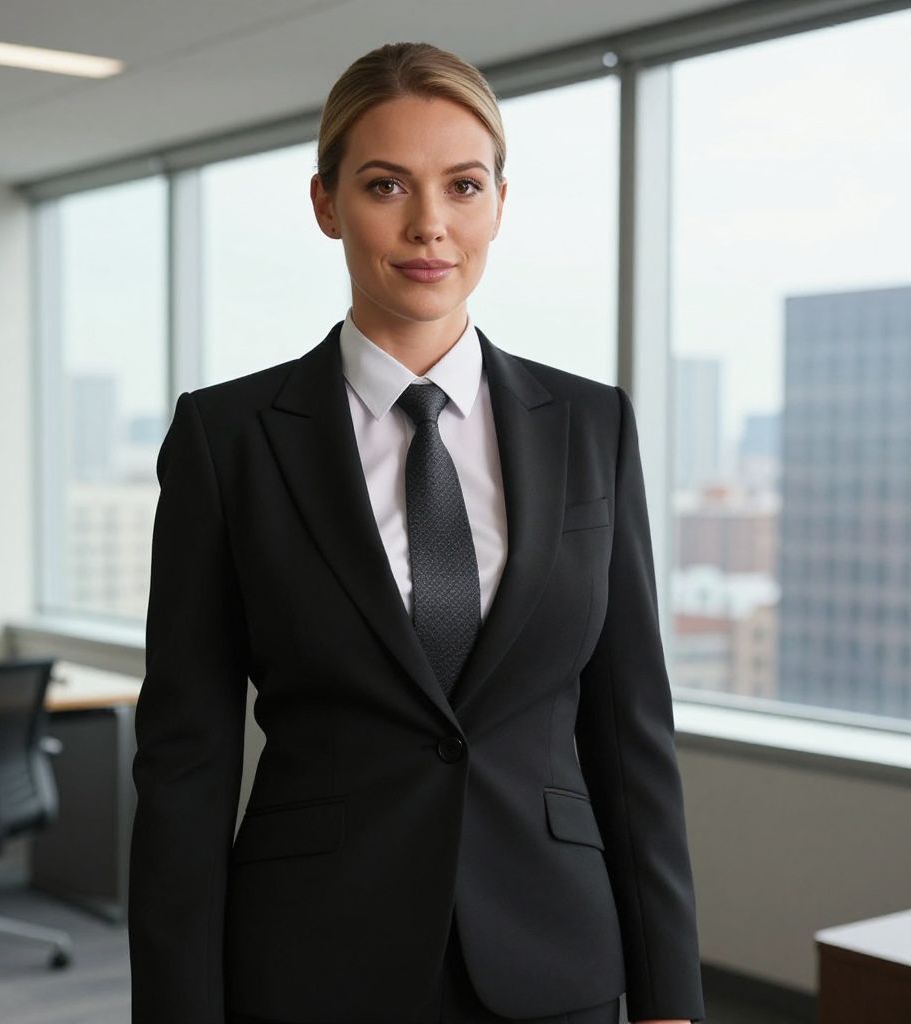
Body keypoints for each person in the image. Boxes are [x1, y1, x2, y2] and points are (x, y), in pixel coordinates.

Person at [128, 40, 705, 1024]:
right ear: (326, 203)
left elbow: (630, 734)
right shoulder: (229, 441)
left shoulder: (590, 427)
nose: (430, 224)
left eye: (463, 185)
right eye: (386, 184)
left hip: (553, 956)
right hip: (314, 958)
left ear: (498, 203)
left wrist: (669, 997)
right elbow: (185, 765)